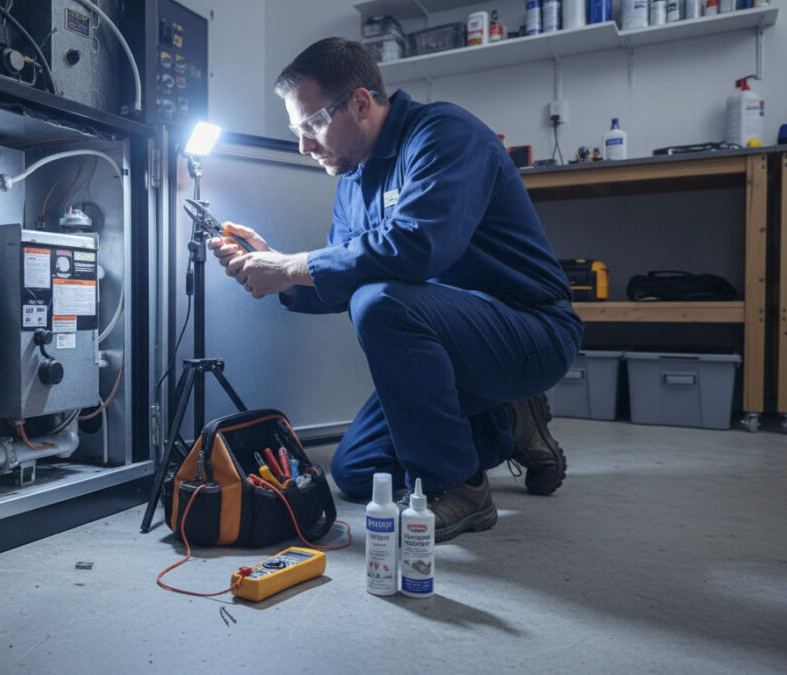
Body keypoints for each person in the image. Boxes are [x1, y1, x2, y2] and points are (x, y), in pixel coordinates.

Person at [208, 38, 583, 542]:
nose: (304, 145)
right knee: (358, 472)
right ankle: (507, 421)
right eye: (296, 130)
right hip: (457, 345)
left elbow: (418, 247)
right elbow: (340, 280)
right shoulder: (352, 179)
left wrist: (293, 265)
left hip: (531, 331)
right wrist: (276, 272)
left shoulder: (445, 134)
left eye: (312, 124)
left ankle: (460, 487)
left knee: (379, 301)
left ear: (361, 103)